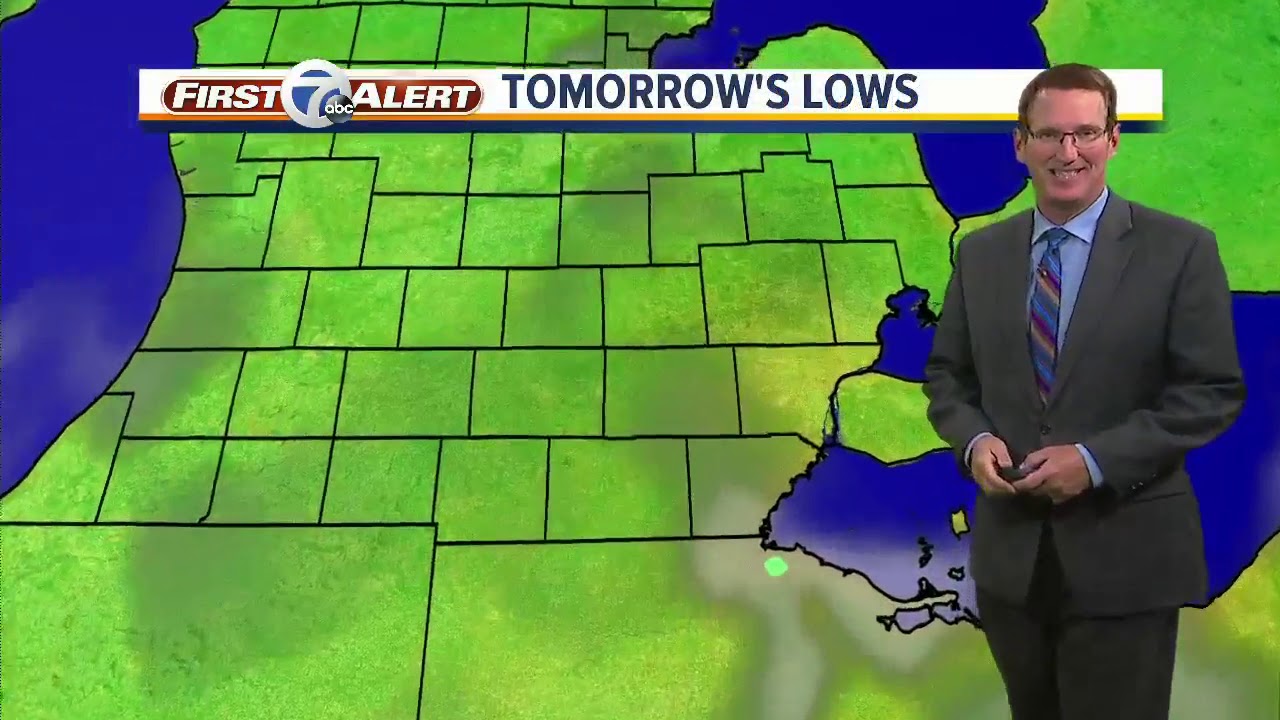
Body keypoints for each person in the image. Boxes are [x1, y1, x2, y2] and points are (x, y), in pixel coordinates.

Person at [922, 63, 1246, 720]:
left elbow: (1210, 390)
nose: (1067, 151)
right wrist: (974, 441)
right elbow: (948, 377)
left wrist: (1095, 461)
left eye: (1085, 133)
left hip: (1128, 562)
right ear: (1021, 144)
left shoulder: (1180, 250)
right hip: (1013, 567)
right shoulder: (981, 255)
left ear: (1113, 139)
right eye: (1049, 135)